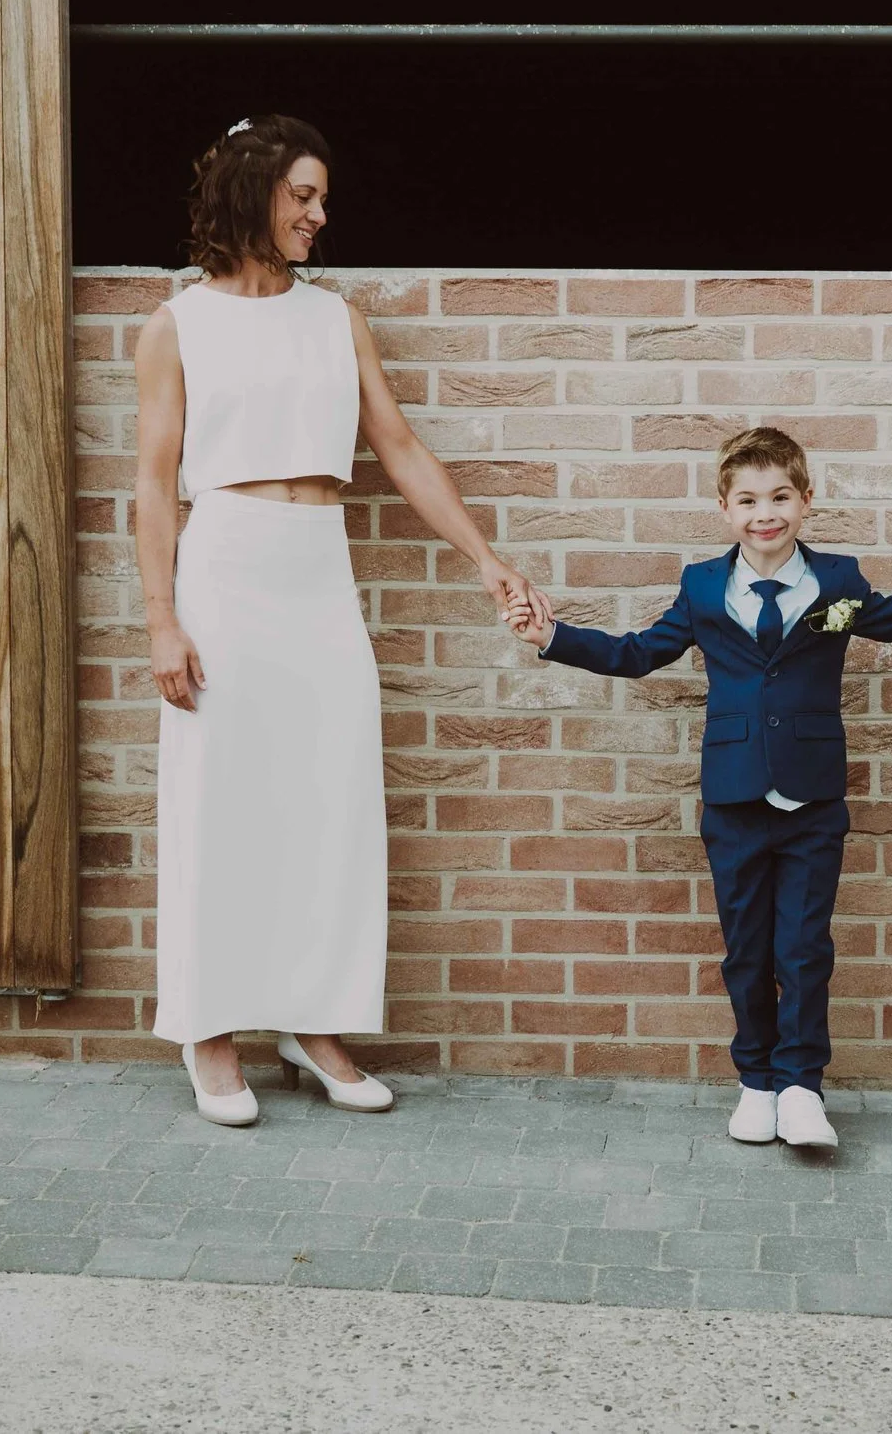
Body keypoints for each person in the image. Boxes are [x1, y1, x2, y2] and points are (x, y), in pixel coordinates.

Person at [136, 115, 551, 1126]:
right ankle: (208, 1029)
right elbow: (151, 480)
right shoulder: (176, 325)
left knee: (330, 803)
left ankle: (313, 1022)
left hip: (319, 572)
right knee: (218, 804)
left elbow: (399, 448)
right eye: (304, 195)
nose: (320, 214)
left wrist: (486, 558)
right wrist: (160, 618)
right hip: (225, 568)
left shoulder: (336, 321)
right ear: (253, 192)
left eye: (321, 197)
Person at [506, 427, 892, 1149]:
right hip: (734, 799)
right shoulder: (701, 587)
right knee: (746, 950)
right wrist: (552, 636)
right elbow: (638, 653)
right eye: (748, 500)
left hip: (813, 798)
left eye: (780, 497)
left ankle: (802, 1087)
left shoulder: (838, 583)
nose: (765, 513)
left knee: (805, 950)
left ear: (806, 500)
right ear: (724, 508)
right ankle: (756, 1080)